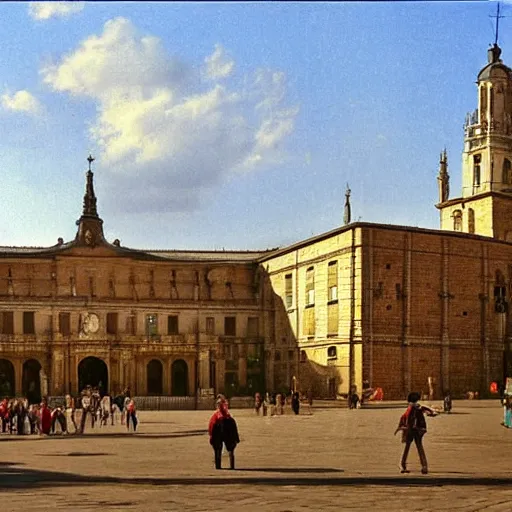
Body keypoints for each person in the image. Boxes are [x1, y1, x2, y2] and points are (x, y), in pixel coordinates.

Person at [395, 392, 435, 474]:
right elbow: (428, 411)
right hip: (418, 430)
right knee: (420, 447)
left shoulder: (410, 408)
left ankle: (403, 465)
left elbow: (405, 418)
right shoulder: (419, 407)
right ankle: (424, 466)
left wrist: (402, 427)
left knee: (407, 448)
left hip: (411, 430)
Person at [208, 397, 240, 470]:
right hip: (223, 429)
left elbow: (211, 427)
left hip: (220, 429)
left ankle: (219, 465)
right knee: (228, 449)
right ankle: (230, 465)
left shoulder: (216, 417)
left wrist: (211, 437)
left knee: (218, 450)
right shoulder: (228, 418)